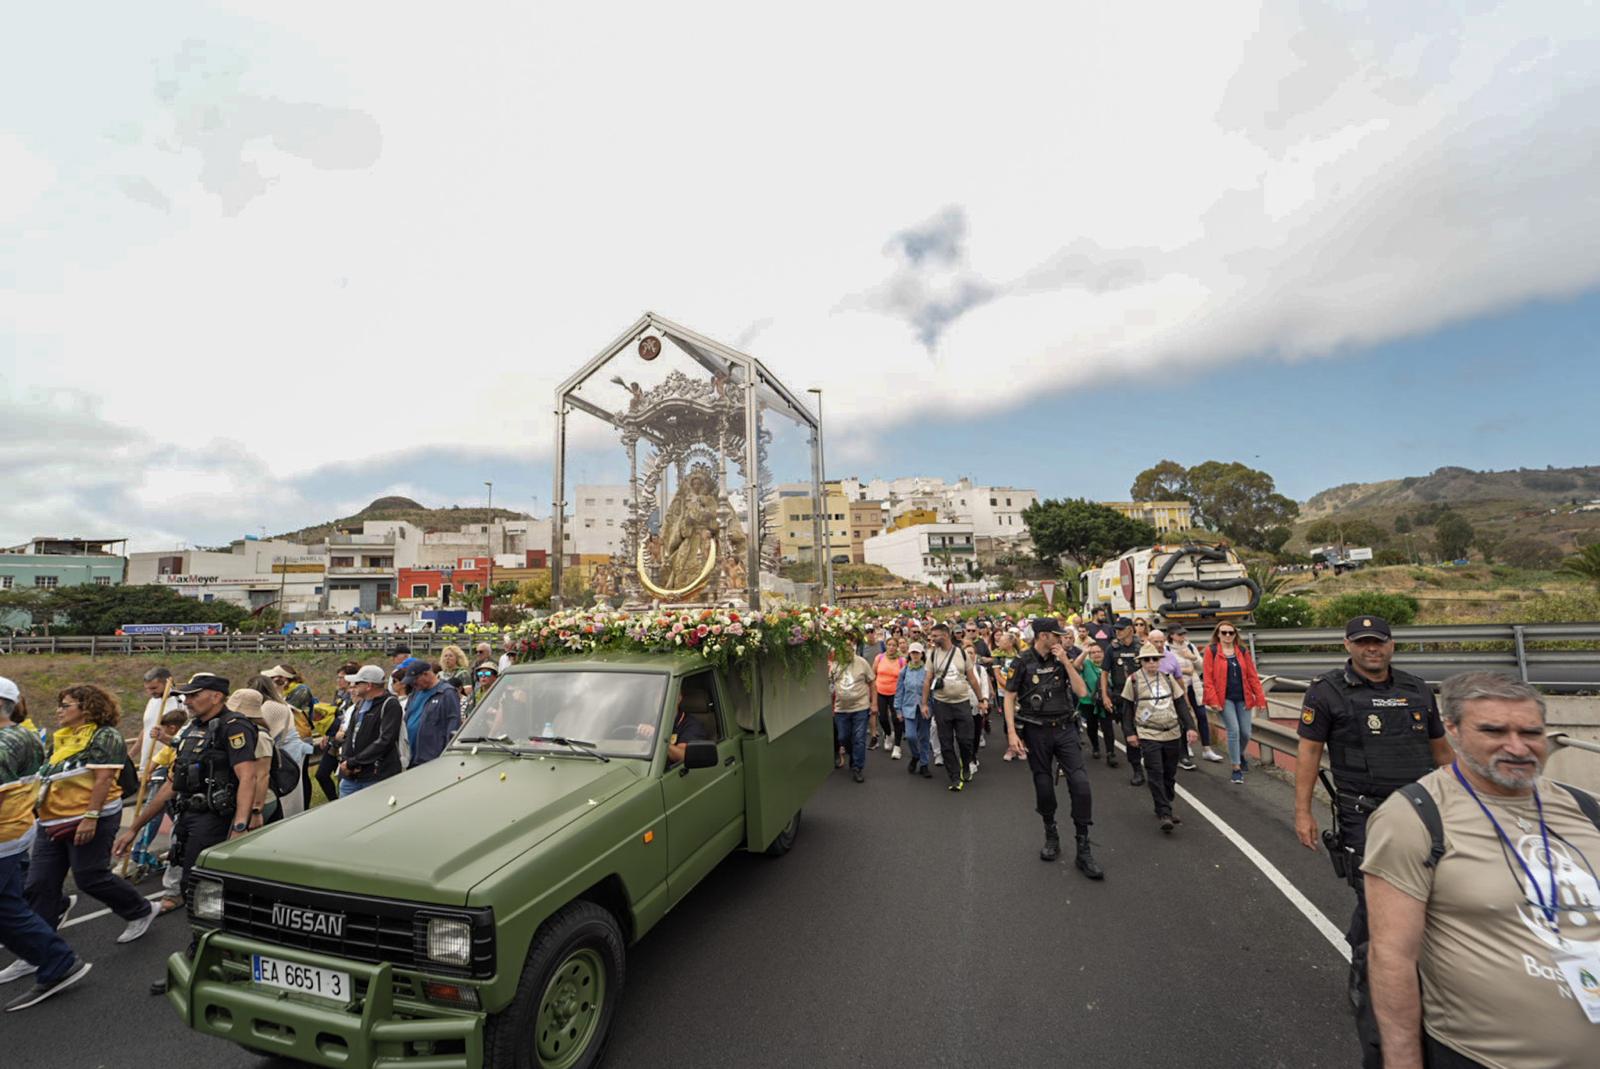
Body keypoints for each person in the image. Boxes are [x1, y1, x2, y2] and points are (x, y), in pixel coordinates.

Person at [1362, 673, 1600, 1069]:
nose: (1517, 747)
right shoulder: (1414, 817)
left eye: (1531, 732)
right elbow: (1392, 956)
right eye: (1493, 730)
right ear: (1452, 730)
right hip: (1481, 1057)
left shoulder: (1585, 809)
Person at [1294, 616, 1452, 1069]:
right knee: (1379, 897)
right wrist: (1303, 812)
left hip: (1423, 812)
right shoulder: (1326, 692)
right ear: (1348, 645)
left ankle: (1379, 949)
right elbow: (1308, 752)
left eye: (1378, 643)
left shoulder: (1418, 689)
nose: (1371, 650)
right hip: (1366, 813)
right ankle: (1368, 977)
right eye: (1362, 643)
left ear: (1391, 645)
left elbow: (1442, 751)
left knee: (1432, 896)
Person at [117, 672, 260, 997]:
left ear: (216, 696)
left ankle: (208, 960)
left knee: (204, 893)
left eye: (195, 694)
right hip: (188, 818)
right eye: (186, 695)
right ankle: (215, 957)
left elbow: (247, 777)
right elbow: (171, 784)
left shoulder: (233, 727)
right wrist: (136, 827)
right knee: (192, 888)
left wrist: (240, 826)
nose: (188, 700)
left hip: (214, 820)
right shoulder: (191, 730)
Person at [17, 684, 155, 975]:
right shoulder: (62, 738)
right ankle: (37, 952)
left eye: (65, 705)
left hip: (91, 816)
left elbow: (104, 779)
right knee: (39, 884)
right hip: (52, 820)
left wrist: (90, 817)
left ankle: (140, 910)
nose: (59, 711)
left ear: (86, 707)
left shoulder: (105, 736)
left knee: (90, 876)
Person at [0, 681, 92, 1008]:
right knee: (10, 906)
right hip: (16, 832)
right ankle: (47, 958)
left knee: (7, 910)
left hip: (5, 835)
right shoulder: (23, 734)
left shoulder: (6, 742)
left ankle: (56, 960)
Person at [1003, 619, 1101, 877]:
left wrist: (1067, 662)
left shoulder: (1063, 657)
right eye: (1057, 635)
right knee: (1044, 785)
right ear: (1044, 635)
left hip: (1065, 728)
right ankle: (1051, 833)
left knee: (1080, 784)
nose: (1061, 638)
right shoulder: (1022, 662)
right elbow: (1009, 696)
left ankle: (1083, 846)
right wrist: (1012, 733)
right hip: (1036, 731)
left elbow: (1082, 692)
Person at [1122, 643, 1200, 833]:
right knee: (1155, 771)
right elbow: (1126, 710)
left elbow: (1180, 703)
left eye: (1154, 659)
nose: (1151, 663)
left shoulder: (1167, 678)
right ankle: (1165, 813)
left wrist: (1191, 727)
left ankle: (1164, 802)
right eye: (1147, 659)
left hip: (1172, 732)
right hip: (1148, 733)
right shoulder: (1133, 681)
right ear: (1140, 662)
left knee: (1169, 773)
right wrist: (1130, 733)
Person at [922, 622, 990, 792]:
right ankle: (954, 776)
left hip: (962, 703)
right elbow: (927, 680)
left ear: (945, 635)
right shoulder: (932, 655)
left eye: (935, 635)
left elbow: (972, 678)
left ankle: (965, 765)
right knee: (945, 743)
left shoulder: (960, 653)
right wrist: (924, 703)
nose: (933, 638)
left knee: (966, 741)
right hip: (941, 704)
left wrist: (981, 699)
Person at [1203, 623, 1268, 784]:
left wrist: (1260, 698)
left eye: (1230, 633)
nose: (1227, 636)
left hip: (1243, 697)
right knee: (1234, 730)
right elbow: (1208, 679)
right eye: (1223, 632)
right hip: (1224, 698)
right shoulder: (1211, 651)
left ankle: (1238, 754)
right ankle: (1236, 768)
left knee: (1246, 733)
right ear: (1218, 634)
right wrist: (1213, 700)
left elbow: (1252, 676)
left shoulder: (1242, 651)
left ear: (1235, 634)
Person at [338, 666, 404, 795]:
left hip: (376, 775)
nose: (353, 686)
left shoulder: (390, 705)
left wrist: (354, 762)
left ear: (369, 685)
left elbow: (385, 740)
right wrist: (345, 762)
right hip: (351, 776)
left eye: (357, 683)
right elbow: (350, 735)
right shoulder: (360, 704)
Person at [1168, 626, 1223, 763]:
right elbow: (1167, 667)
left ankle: (1207, 749)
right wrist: (1185, 670)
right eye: (1179, 634)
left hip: (1194, 685)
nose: (1182, 636)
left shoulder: (1190, 646)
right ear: (1172, 635)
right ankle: (1187, 746)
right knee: (1184, 717)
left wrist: (1192, 657)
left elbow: (1202, 666)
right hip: (1178, 687)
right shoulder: (1166, 649)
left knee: (1202, 715)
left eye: (1183, 634)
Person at [1102, 617, 1145, 787]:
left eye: (1121, 629)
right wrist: (1105, 695)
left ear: (1130, 629)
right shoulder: (1111, 649)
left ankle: (1152, 764)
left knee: (1145, 732)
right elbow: (1105, 673)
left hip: (1142, 696)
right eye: (1116, 629)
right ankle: (1137, 770)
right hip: (1121, 696)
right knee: (1129, 733)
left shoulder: (1141, 647)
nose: (1117, 632)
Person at [312, 662, 359, 803]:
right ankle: (334, 801)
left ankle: (341, 802)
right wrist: (327, 733)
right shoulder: (339, 694)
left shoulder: (355, 697)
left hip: (345, 740)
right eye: (338, 677)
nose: (339, 681)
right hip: (334, 738)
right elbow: (334, 715)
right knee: (322, 774)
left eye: (342, 678)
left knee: (342, 777)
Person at [401, 662, 462, 768]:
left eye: (415, 680)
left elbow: (453, 725)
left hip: (431, 758)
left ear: (426, 674)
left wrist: (447, 755)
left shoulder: (447, 693)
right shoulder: (415, 692)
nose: (412, 684)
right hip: (411, 756)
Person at [830, 643, 874, 783]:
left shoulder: (861, 662)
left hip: (860, 707)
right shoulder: (835, 665)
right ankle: (852, 755)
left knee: (859, 739)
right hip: (841, 709)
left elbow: (872, 682)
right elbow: (830, 686)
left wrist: (874, 703)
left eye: (849, 650)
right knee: (843, 737)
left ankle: (857, 768)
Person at [894, 643, 932, 778]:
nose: (915, 655)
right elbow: (899, 691)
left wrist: (930, 705)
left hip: (924, 708)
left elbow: (932, 691)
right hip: (908, 707)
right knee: (910, 736)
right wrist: (898, 710)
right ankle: (916, 756)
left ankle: (924, 764)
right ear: (909, 654)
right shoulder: (904, 671)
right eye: (912, 653)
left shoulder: (928, 671)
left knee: (924, 737)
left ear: (922, 654)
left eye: (917, 653)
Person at [872, 640, 906, 760]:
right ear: (886, 646)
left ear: (897, 647)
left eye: (894, 645)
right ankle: (888, 734)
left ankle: (897, 746)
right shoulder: (879, 658)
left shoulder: (901, 661)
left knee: (896, 718)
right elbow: (873, 674)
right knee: (882, 718)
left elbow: (904, 678)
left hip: (895, 693)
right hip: (881, 691)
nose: (891, 647)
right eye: (889, 645)